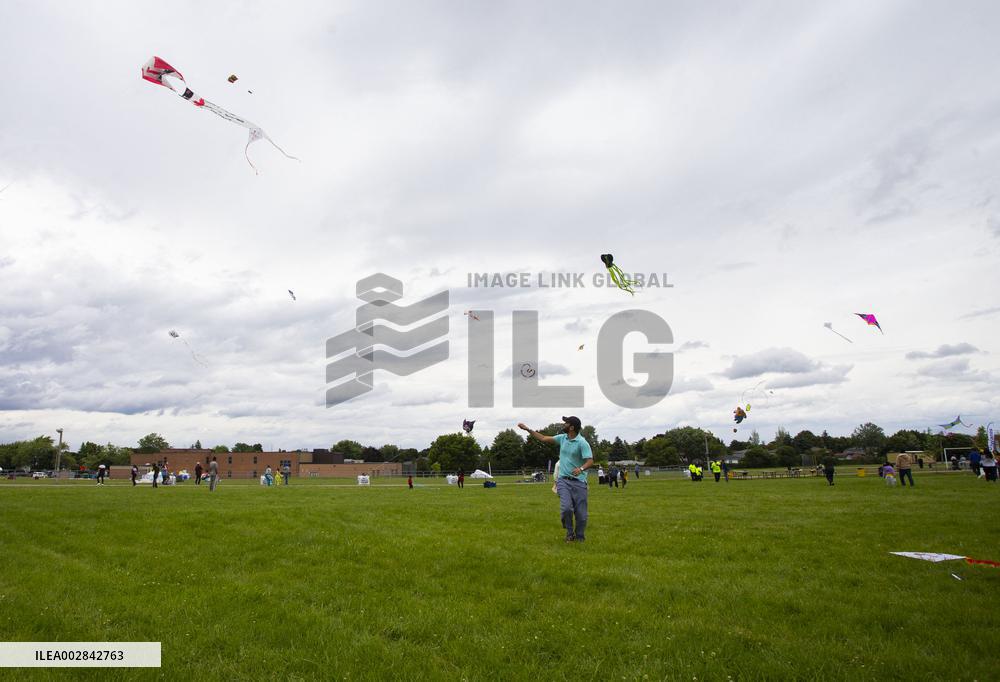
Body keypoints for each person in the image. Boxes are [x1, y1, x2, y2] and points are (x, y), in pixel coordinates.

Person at [519, 416, 592, 543]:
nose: (563, 425)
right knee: (566, 509)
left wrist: (580, 469)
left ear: (572, 427)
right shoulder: (562, 438)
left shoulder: (582, 443)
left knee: (581, 515)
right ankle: (570, 533)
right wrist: (527, 429)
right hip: (563, 480)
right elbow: (543, 438)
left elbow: (590, 461)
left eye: (566, 423)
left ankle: (580, 537)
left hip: (579, 482)